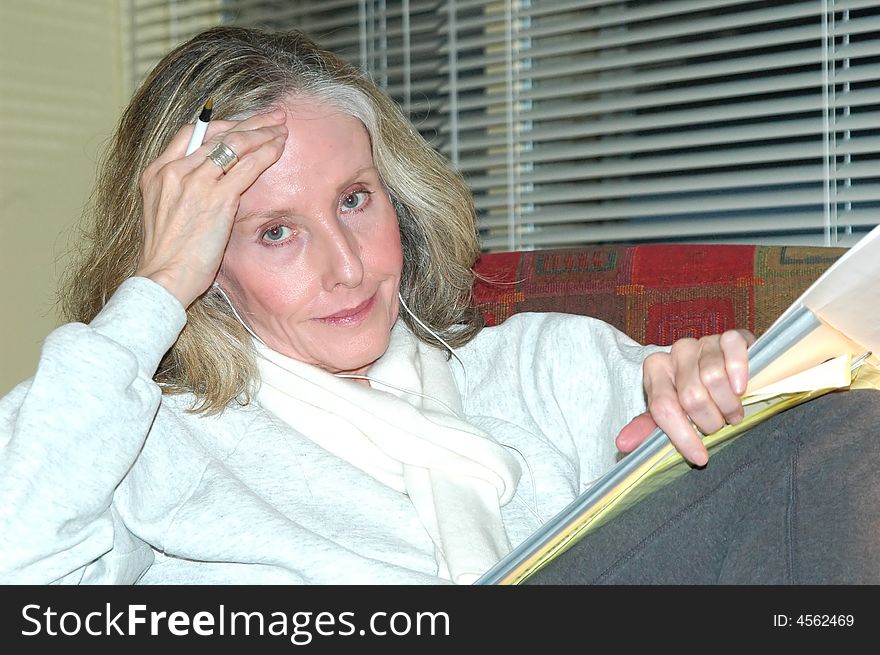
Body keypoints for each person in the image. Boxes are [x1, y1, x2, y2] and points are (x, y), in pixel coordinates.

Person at [0, 26, 877, 585]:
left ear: (399, 198)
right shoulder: (133, 439)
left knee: (836, 427)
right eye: (274, 232)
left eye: (353, 201)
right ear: (203, 263)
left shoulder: (544, 366)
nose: (345, 268)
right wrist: (150, 293)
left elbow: (792, 505)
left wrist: (727, 391)